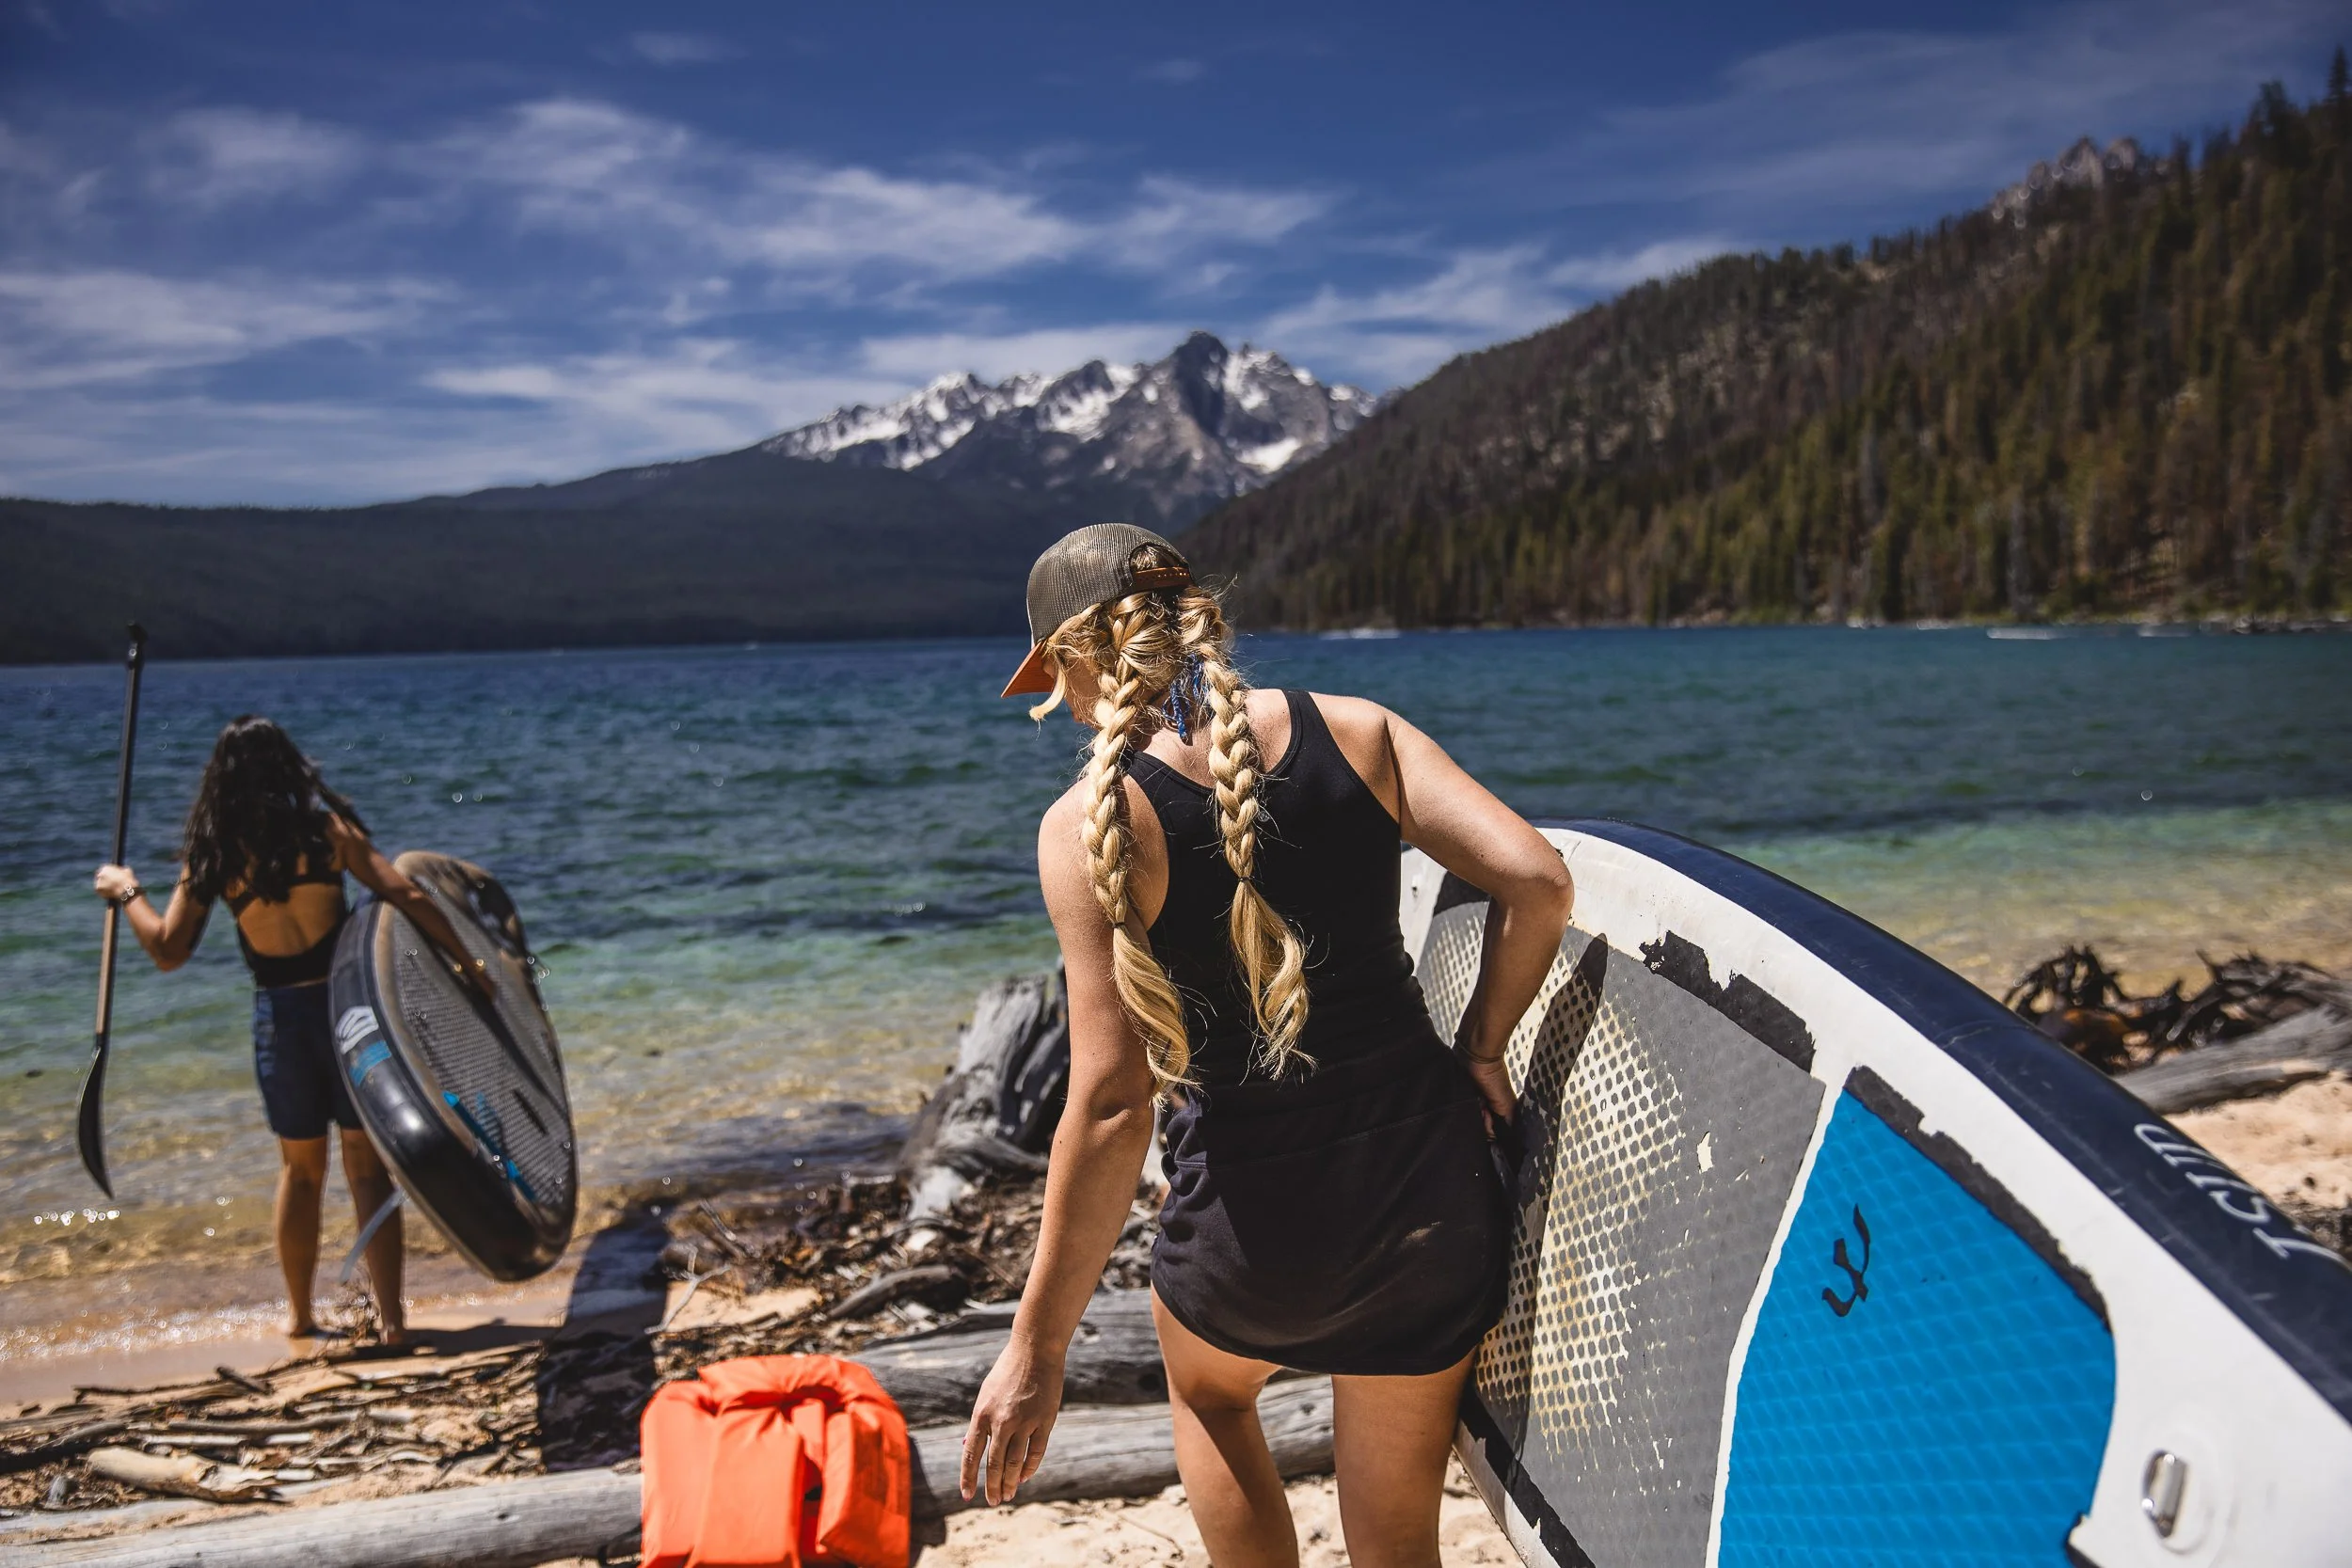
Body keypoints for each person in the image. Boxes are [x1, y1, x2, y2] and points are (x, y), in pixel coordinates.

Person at [961, 525, 1574, 1567]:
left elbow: (1112, 1105)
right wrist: (1480, 1048)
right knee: (1397, 1542)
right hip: (1427, 1208)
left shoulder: (1086, 825)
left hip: (1255, 1238)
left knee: (1209, 1390)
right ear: (1196, 619)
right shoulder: (1361, 732)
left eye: (1051, 675)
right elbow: (1538, 881)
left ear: (1073, 657)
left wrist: (1037, 1343)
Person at [93, 715, 492, 1345]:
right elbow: (408, 897)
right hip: (349, 1014)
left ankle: (301, 1316)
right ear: (289, 767)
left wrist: (126, 890)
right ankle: (392, 1321)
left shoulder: (217, 851)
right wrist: (471, 965)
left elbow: (168, 950)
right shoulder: (326, 833)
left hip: (280, 1020)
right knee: (367, 1168)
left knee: (300, 1172)